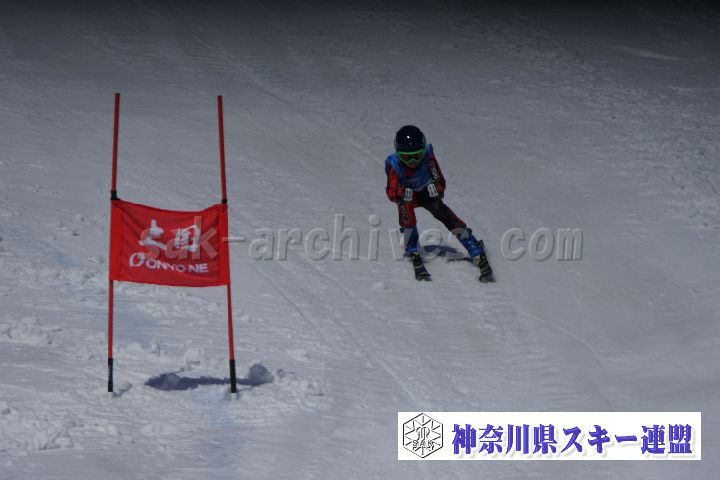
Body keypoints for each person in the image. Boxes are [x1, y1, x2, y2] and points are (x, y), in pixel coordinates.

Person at [385, 125, 493, 281]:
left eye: (417, 156)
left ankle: (471, 244)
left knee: (445, 215)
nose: (413, 162)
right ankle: (412, 248)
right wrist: (400, 195)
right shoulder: (394, 165)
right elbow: (391, 191)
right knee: (406, 215)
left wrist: (436, 189)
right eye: (407, 158)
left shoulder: (428, 158)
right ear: (399, 155)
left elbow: (439, 179)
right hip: (408, 197)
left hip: (425, 193)